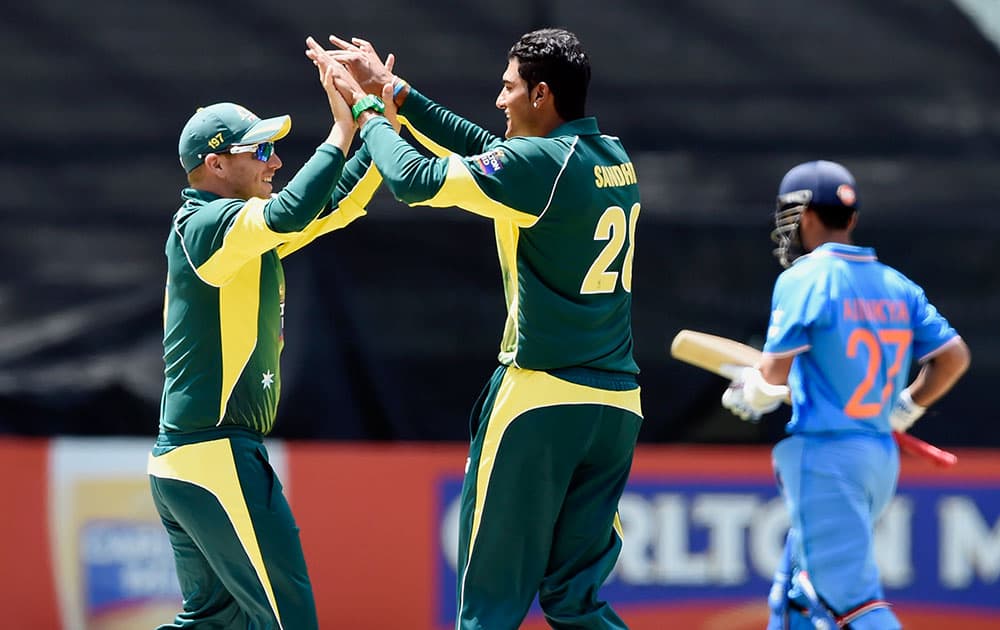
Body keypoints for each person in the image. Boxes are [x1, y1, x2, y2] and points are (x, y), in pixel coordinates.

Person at [306, 28, 642, 630]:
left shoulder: (536, 166)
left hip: (541, 402)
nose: (499, 99)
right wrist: (398, 93)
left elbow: (412, 181)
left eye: (508, 87)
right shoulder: (610, 157)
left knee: (487, 605)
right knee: (575, 600)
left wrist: (367, 111)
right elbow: (493, 150)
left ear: (541, 95)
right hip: (616, 408)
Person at [147, 58, 382, 629]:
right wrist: (342, 128)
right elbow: (293, 209)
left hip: (196, 457)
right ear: (215, 164)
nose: (275, 160)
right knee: (288, 621)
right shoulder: (208, 225)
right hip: (215, 453)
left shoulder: (240, 232)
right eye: (260, 152)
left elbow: (334, 204)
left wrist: (381, 124)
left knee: (215, 624)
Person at [721, 160, 970, 629]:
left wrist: (751, 394)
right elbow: (953, 356)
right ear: (852, 219)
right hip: (877, 457)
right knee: (795, 596)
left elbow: (772, 379)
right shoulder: (898, 285)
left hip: (826, 456)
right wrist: (904, 408)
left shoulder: (804, 279)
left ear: (807, 215)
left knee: (850, 601)